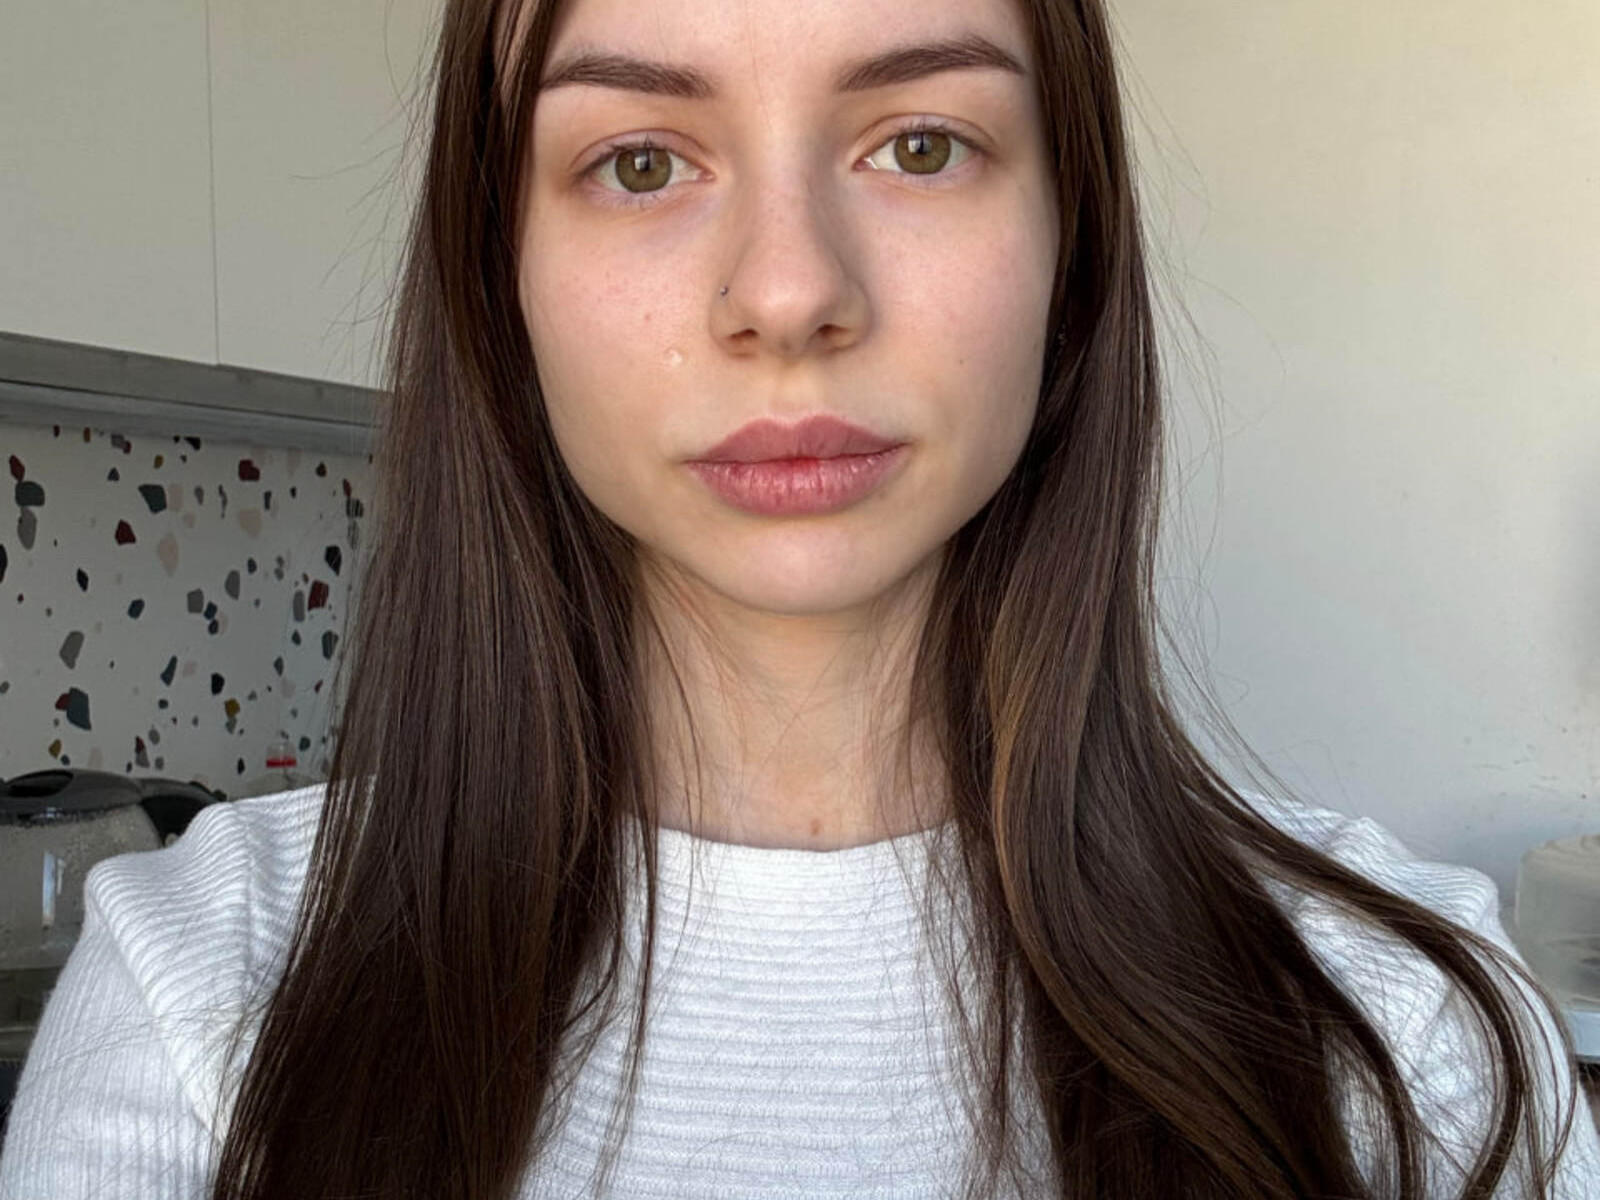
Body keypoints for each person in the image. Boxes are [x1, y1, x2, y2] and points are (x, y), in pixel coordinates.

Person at [2, 0, 1597, 1195]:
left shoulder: (1415, 1028)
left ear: (1071, 246)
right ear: (503, 284)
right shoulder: (205, 995)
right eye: (639, 161)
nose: (788, 292)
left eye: (920, 144)